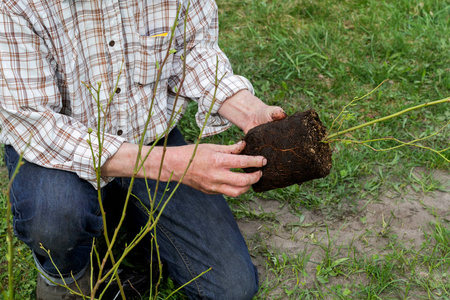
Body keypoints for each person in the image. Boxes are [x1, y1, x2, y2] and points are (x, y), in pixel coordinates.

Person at [0, 0, 286, 299]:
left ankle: (127, 216)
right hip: (57, 151)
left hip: (149, 136)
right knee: (54, 218)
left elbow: (191, 50)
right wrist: (173, 165)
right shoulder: (16, 5)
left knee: (232, 290)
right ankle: (67, 275)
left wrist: (247, 109)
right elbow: (33, 122)